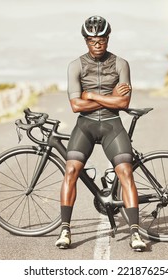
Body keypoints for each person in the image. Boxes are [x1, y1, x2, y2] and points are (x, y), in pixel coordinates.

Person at [55, 15, 147, 252]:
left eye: (101, 39)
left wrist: (92, 96)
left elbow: (124, 103)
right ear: (86, 40)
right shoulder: (75, 65)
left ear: (108, 38)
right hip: (85, 125)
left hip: (112, 126)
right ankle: (65, 229)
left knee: (126, 172)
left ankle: (135, 232)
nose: (97, 44)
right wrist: (110, 99)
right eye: (92, 40)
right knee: (71, 170)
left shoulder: (120, 64)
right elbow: (76, 106)